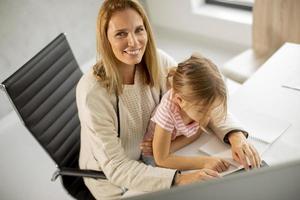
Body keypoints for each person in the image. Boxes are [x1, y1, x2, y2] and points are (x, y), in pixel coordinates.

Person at [76, 0, 260, 199]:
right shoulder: (93, 93)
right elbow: (118, 168)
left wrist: (235, 136)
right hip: (116, 184)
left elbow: (201, 98)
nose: (134, 42)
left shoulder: (157, 60)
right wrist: (179, 179)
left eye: (139, 30)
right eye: (121, 33)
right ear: (105, 39)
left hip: (153, 160)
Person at [142, 54, 261, 173]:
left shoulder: (196, 106)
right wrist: (204, 162)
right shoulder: (168, 112)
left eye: (212, 109)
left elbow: (197, 131)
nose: (208, 117)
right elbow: (161, 160)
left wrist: (172, 146)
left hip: (173, 145)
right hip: (153, 157)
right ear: (179, 100)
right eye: (202, 111)